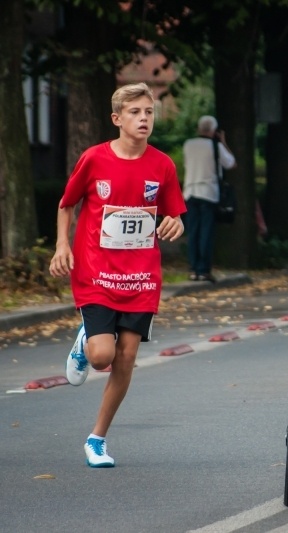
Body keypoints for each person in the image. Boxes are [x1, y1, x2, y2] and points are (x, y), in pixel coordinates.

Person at [48, 82, 186, 467]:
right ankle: (87, 341)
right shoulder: (94, 159)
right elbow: (66, 203)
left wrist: (175, 224)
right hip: (97, 272)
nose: (144, 119)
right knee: (101, 356)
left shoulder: (162, 165)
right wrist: (62, 246)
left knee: (124, 360)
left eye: (149, 112)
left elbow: (174, 213)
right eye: (136, 112)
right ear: (117, 119)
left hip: (141, 276)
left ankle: (97, 439)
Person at [182, 115, 236, 282]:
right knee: (206, 233)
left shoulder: (188, 145)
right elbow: (231, 163)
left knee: (193, 232)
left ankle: (192, 269)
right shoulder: (216, 146)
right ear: (213, 131)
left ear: (199, 128)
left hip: (190, 192)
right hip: (208, 193)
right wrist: (223, 142)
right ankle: (204, 270)